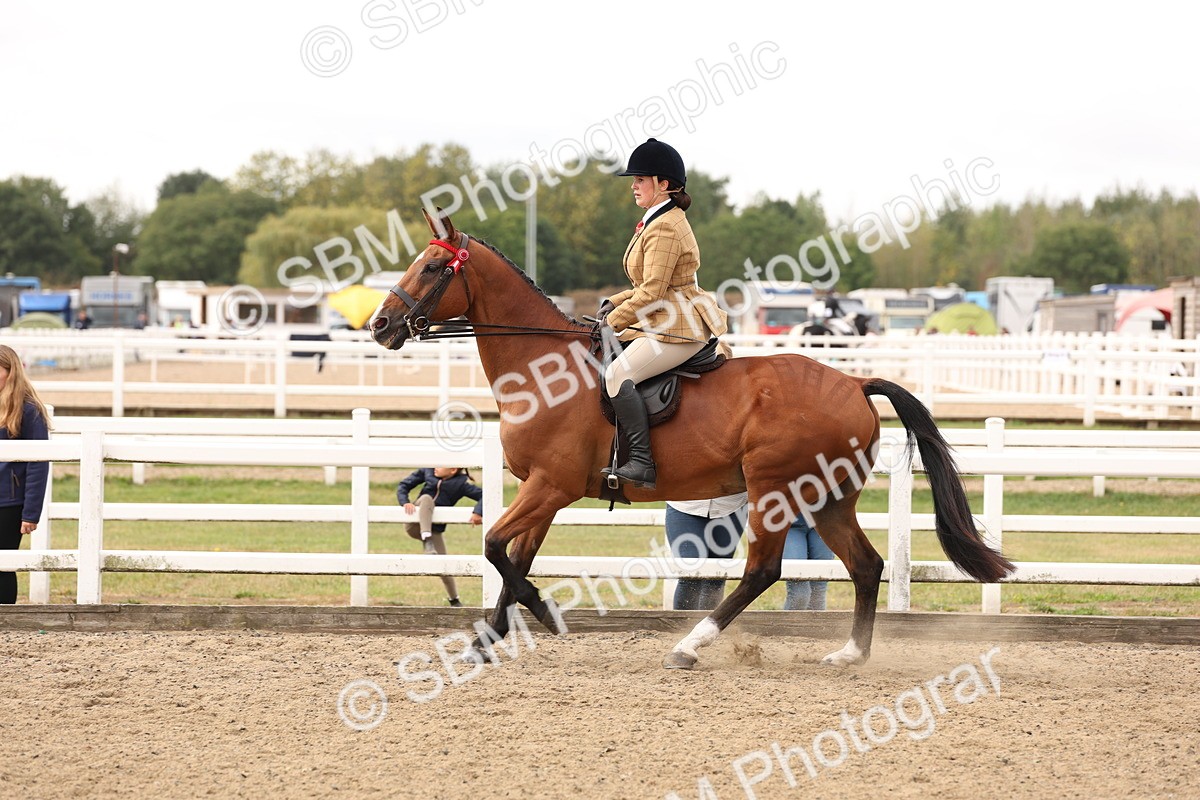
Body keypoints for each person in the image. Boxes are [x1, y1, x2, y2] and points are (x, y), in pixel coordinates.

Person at [598, 138, 728, 490]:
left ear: (663, 184)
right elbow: (649, 283)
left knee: (617, 375)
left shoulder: (666, 225)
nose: (633, 186)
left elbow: (654, 290)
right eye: (635, 179)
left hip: (678, 326)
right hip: (663, 317)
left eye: (641, 179)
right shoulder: (656, 219)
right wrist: (614, 302)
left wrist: (614, 321)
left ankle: (641, 461)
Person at [665, 494, 834, 611]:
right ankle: (681, 629)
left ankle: (705, 627)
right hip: (687, 505)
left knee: (716, 579)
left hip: (730, 505)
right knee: (690, 575)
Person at [0, 345, 51, 605]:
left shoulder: (28, 411)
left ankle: (6, 619)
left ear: (10, 371)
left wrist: (31, 512)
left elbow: (39, 463)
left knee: (3, 564)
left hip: (9, 502)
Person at [397, 467, 483, 607]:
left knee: (444, 564)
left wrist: (478, 512)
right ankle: (426, 538)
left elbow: (484, 495)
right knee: (426, 498)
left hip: (434, 531)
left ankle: (454, 600)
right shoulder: (428, 471)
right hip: (414, 525)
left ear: (453, 470)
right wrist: (404, 501)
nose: (436, 466)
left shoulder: (460, 484)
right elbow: (404, 485)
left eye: (440, 465)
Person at [782, 514, 836, 610]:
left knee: (817, 593)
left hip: (825, 520)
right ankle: (789, 625)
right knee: (799, 593)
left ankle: (816, 625)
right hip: (790, 523)